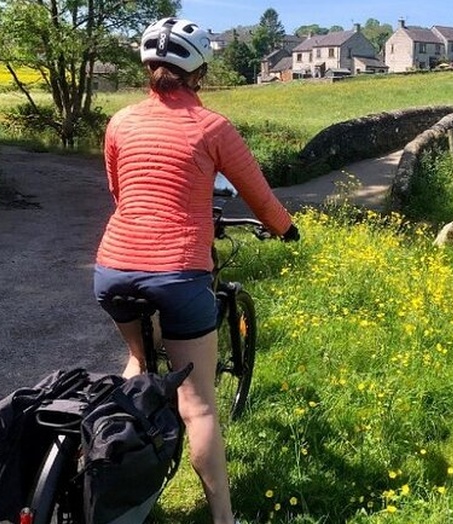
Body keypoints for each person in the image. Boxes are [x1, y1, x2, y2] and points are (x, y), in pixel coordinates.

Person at [93, 17, 299, 524]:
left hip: (113, 266)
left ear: (148, 68)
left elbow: (121, 192)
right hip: (178, 270)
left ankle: (107, 471)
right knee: (199, 405)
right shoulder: (213, 127)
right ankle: (223, 519)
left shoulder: (120, 121)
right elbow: (258, 193)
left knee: (139, 363)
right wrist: (285, 229)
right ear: (199, 72)